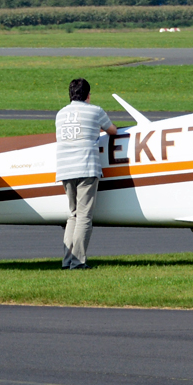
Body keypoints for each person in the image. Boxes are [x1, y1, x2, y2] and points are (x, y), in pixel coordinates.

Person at [55, 78, 118, 269]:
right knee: (84, 216)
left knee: (73, 214)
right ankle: (78, 261)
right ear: (88, 95)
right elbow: (112, 130)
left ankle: (67, 261)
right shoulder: (95, 111)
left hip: (65, 168)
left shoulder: (60, 114)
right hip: (86, 166)